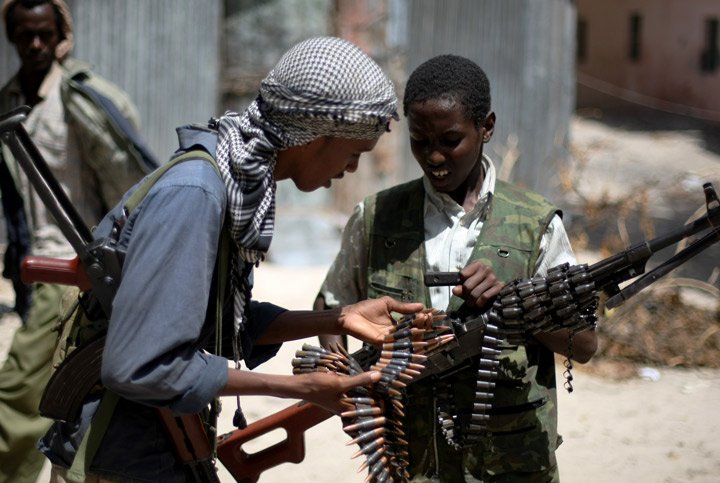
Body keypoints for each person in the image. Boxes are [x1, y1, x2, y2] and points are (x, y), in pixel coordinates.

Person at [35, 36, 433, 482]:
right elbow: (142, 364)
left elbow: (217, 322)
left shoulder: (231, 182)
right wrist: (298, 388)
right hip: (117, 456)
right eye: (353, 153)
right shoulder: (197, 193)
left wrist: (337, 319)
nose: (352, 171)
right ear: (315, 135)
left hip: (154, 447)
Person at [314, 55, 598, 482]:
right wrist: (344, 384)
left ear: (486, 127)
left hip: (510, 463)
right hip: (407, 460)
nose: (433, 157)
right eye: (419, 141)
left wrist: (514, 301)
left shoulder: (535, 224)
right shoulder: (376, 217)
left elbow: (585, 343)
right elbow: (332, 307)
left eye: (450, 140)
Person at [0, 1, 155, 482]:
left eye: (44, 34)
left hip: (78, 266)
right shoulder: (9, 101)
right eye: (25, 35)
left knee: (16, 391)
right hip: (35, 266)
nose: (35, 45)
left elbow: (132, 185)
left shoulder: (84, 99)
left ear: (62, 34)